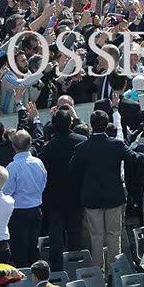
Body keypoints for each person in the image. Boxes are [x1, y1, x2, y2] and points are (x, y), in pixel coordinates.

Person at [69, 110, 144, 270]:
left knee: (96, 236)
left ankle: (98, 270)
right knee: (114, 235)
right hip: (113, 196)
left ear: (91, 126)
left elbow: (72, 169)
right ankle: (114, 271)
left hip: (92, 197)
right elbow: (135, 158)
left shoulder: (82, 147)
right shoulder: (116, 145)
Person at [38, 108, 87, 271]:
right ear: (70, 123)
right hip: (76, 195)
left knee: (56, 235)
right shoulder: (81, 141)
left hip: (54, 197)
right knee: (75, 233)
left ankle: (57, 269)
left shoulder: (47, 147)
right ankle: (76, 266)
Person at [2, 130, 47, 268]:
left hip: (18, 213)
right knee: (33, 247)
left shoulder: (12, 167)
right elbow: (43, 183)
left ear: (13, 146)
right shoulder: (38, 163)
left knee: (19, 251)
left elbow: (6, 192)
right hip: (36, 210)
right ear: (30, 144)